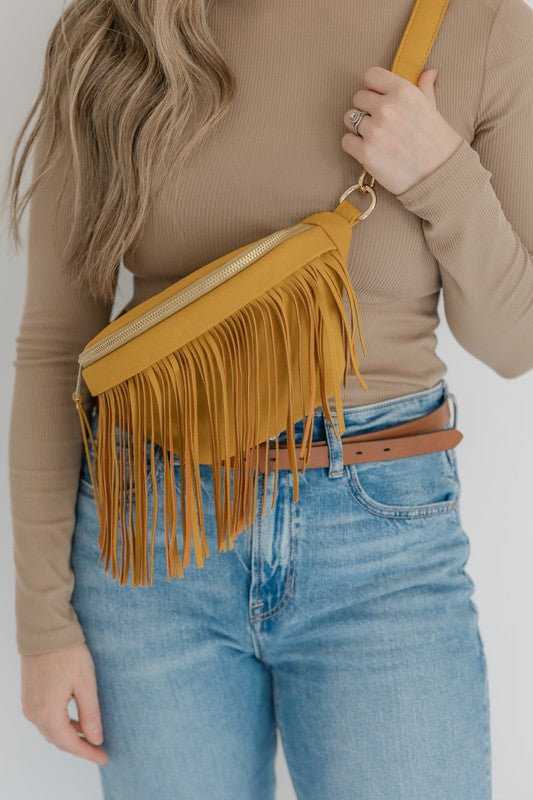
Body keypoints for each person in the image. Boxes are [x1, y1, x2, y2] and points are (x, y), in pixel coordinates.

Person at [5, 0, 533, 797]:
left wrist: (442, 175)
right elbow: (55, 348)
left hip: (380, 546)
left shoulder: (477, 24)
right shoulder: (118, 26)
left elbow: (514, 344)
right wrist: (44, 626)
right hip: (151, 544)